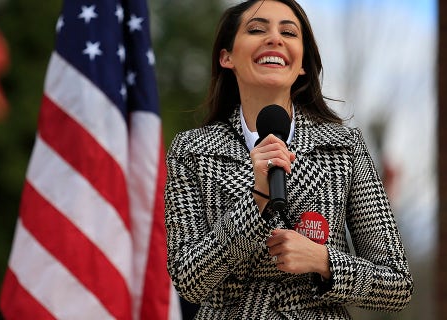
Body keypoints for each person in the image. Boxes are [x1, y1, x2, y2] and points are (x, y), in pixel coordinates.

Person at [164, 0, 413, 318]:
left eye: (289, 32)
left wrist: (324, 261)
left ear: (303, 64)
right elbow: (188, 282)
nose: (274, 38)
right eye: (256, 29)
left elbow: (396, 286)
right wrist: (256, 203)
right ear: (226, 57)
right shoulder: (191, 150)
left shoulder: (345, 147)